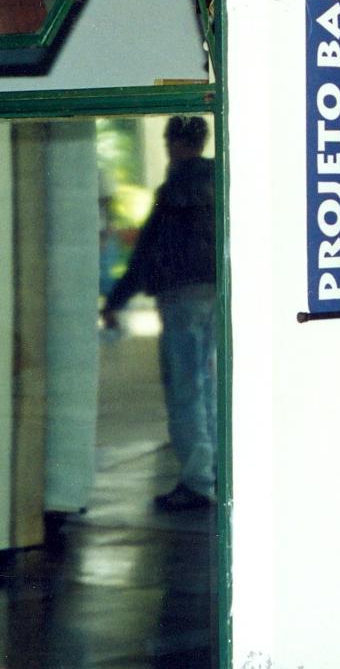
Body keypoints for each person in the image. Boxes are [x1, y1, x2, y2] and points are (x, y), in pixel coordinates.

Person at [102, 116, 217, 512]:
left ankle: (197, 482)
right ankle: (218, 470)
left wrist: (115, 301)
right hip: (217, 295)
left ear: (174, 144)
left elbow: (146, 253)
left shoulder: (172, 192)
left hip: (181, 297)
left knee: (186, 390)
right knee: (211, 385)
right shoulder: (222, 184)